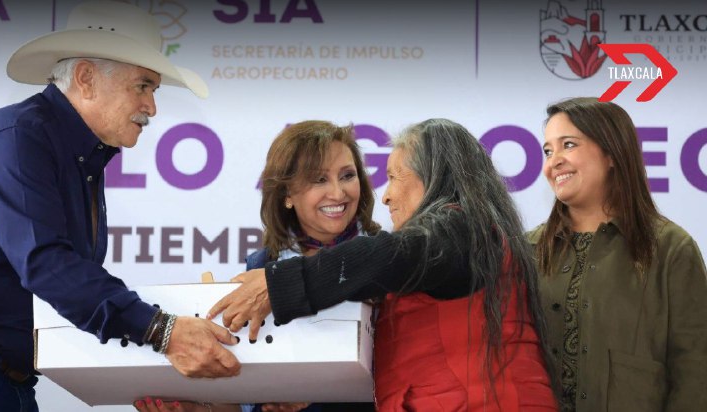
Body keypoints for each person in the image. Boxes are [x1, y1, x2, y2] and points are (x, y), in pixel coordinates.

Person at [0, 2, 240, 411]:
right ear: (85, 78)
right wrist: (162, 332)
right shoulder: (18, 137)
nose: (152, 107)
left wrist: (154, 346)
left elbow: (69, 283)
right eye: (143, 86)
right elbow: (48, 265)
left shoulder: (77, 155)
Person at [208, 119, 558, 411]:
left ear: (435, 176)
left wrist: (278, 285)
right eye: (318, 179)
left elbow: (390, 256)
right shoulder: (449, 239)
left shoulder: (460, 229)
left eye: (395, 176)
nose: (386, 195)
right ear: (285, 195)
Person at [135, 121, 379, 412]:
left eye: (347, 175)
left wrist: (317, 390)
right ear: (287, 194)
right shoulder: (260, 266)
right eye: (319, 180)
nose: (338, 193)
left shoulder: (388, 256)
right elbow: (244, 393)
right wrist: (200, 409)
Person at [529, 97, 707, 411]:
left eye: (568, 145)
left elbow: (694, 369)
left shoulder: (670, 248)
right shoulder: (528, 249)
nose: (552, 162)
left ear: (612, 153)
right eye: (547, 150)